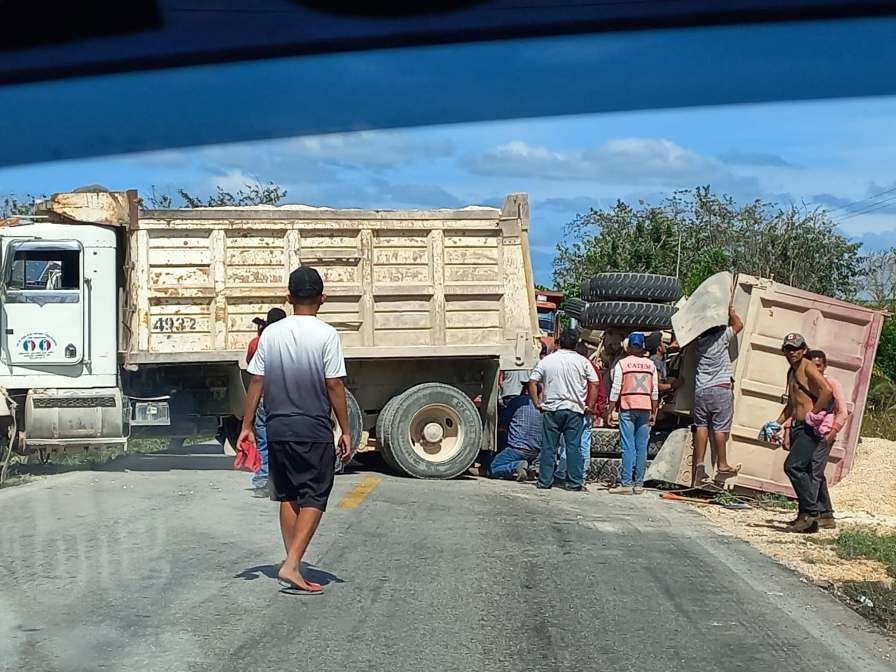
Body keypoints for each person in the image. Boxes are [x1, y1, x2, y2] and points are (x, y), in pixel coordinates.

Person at [239, 266, 352, 594]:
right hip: (312, 426)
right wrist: (345, 429)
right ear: (323, 298)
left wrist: (246, 426)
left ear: (288, 297)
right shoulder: (326, 334)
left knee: (287, 494)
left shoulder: (270, 334)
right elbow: (333, 384)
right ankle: (292, 565)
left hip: (277, 427)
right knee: (316, 493)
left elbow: (256, 381)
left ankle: (293, 562)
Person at [529, 329, 599, 492]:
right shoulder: (583, 362)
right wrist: (590, 405)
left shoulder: (547, 360)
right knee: (573, 446)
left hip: (552, 410)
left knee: (549, 447)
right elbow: (594, 383)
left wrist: (537, 402)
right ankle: (574, 482)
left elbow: (532, 381)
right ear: (575, 344)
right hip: (575, 410)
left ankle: (545, 481)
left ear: (559, 343)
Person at [776, 333, 833, 533]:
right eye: (789, 349)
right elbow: (792, 403)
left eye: (797, 348)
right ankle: (809, 517)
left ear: (804, 349)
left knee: (793, 467)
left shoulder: (807, 366)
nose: (793, 352)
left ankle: (811, 511)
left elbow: (827, 390)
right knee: (806, 471)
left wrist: (814, 414)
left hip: (810, 427)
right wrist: (777, 424)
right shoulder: (791, 372)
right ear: (784, 350)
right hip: (799, 426)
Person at [691, 306, 744, 484]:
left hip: (701, 391)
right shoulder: (721, 338)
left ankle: (699, 463)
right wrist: (731, 312)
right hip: (720, 388)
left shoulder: (699, 343)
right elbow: (739, 325)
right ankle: (722, 464)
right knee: (720, 428)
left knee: (701, 426)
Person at [605, 332, 658, 494]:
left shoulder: (623, 364)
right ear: (643, 347)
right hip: (645, 408)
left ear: (627, 347)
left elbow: (616, 388)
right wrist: (654, 411)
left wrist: (610, 409)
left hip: (627, 407)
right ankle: (639, 484)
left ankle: (626, 483)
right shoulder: (651, 365)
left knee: (628, 446)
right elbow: (654, 391)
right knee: (642, 447)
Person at [801, 349, 848, 529]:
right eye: (812, 365)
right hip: (807, 433)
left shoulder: (831, 384)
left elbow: (842, 412)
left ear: (824, 366)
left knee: (814, 472)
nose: (816, 369)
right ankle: (826, 514)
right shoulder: (805, 383)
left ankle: (808, 514)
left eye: (819, 365)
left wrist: (833, 432)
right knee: (811, 472)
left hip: (824, 434)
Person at [246, 307, 287, 497]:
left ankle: (263, 481)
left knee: (263, 443)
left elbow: (252, 368)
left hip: (264, 398)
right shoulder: (289, 342)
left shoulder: (257, 342)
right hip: (284, 398)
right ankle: (284, 482)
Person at [490, 382, 542, 481]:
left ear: (527, 390)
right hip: (535, 451)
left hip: (517, 449)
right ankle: (531, 469)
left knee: (493, 467)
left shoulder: (517, 402)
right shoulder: (541, 406)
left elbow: (503, 420)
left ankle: (516, 466)